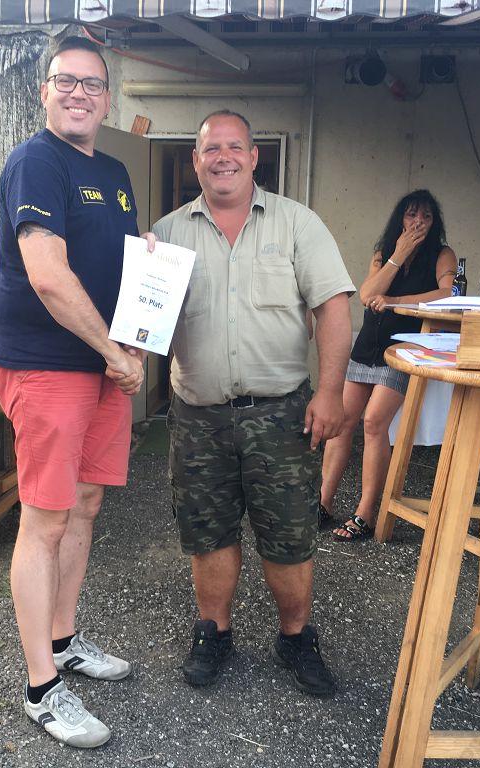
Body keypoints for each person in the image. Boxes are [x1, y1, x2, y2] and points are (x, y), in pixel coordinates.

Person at [152, 110, 355, 696]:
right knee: (208, 531)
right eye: (211, 148)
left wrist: (330, 390)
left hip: (281, 414)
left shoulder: (297, 224)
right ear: (196, 161)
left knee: (289, 534)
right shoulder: (166, 234)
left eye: (234, 146)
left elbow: (333, 309)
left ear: (253, 156)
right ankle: (213, 632)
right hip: (198, 415)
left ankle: (296, 637)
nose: (223, 157)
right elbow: (146, 320)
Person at [0, 36, 146, 748]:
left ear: (107, 98)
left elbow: (128, 265)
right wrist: (114, 351)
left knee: (84, 505)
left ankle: (63, 639)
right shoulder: (36, 162)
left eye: (92, 84)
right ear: (44, 90)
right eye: (66, 81)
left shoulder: (114, 171)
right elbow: (48, 276)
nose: (79, 93)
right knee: (45, 521)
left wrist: (136, 334)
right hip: (49, 367)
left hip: (104, 367)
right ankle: (41, 688)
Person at [320, 190, 456, 541]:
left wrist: (394, 301)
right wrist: (399, 254)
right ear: (400, 218)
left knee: (374, 422)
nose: (418, 222)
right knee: (342, 423)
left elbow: (446, 294)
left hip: (404, 347)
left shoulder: (442, 254)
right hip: (368, 343)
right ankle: (323, 502)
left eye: (426, 216)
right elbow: (367, 295)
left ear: (435, 222)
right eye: (412, 215)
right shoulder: (384, 252)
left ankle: (366, 512)